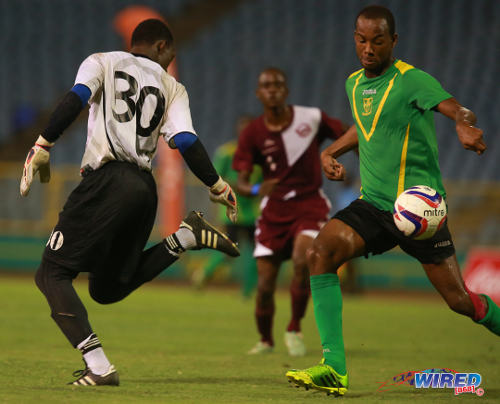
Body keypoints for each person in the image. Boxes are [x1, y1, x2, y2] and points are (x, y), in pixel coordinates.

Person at [286, 5, 499, 396]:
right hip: (375, 205)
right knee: (321, 253)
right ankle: (334, 367)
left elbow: (455, 107)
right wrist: (329, 151)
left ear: (393, 41)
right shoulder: (354, 84)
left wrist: (464, 125)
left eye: (378, 41)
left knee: (461, 302)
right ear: (355, 39)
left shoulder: (411, 80)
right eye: (362, 40)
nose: (368, 48)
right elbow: (367, 128)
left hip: (420, 211)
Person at [20, 19, 240, 386]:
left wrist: (44, 143)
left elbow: (76, 98)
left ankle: (100, 366)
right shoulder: (173, 87)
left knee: (50, 273)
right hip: (143, 189)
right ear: (160, 46)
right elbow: (185, 140)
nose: (171, 59)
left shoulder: (102, 60)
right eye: (171, 52)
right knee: (106, 289)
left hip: (107, 182)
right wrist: (217, 184)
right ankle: (185, 237)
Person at [233, 67, 349, 356]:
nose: (272, 89)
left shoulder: (311, 118)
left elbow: (350, 134)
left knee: (302, 260)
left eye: (278, 84)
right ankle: (266, 340)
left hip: (309, 205)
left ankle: (294, 328)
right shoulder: (253, 133)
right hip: (273, 212)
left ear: (286, 91)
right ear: (258, 93)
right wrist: (259, 189)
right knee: (265, 285)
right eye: (266, 85)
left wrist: (335, 156)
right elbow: (242, 183)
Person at [192, 116, 261, 298]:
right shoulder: (227, 153)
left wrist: (255, 189)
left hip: (253, 212)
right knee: (230, 249)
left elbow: (265, 184)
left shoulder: (261, 156)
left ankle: (249, 292)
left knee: (257, 252)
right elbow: (213, 178)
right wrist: (237, 187)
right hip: (232, 210)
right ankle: (204, 273)